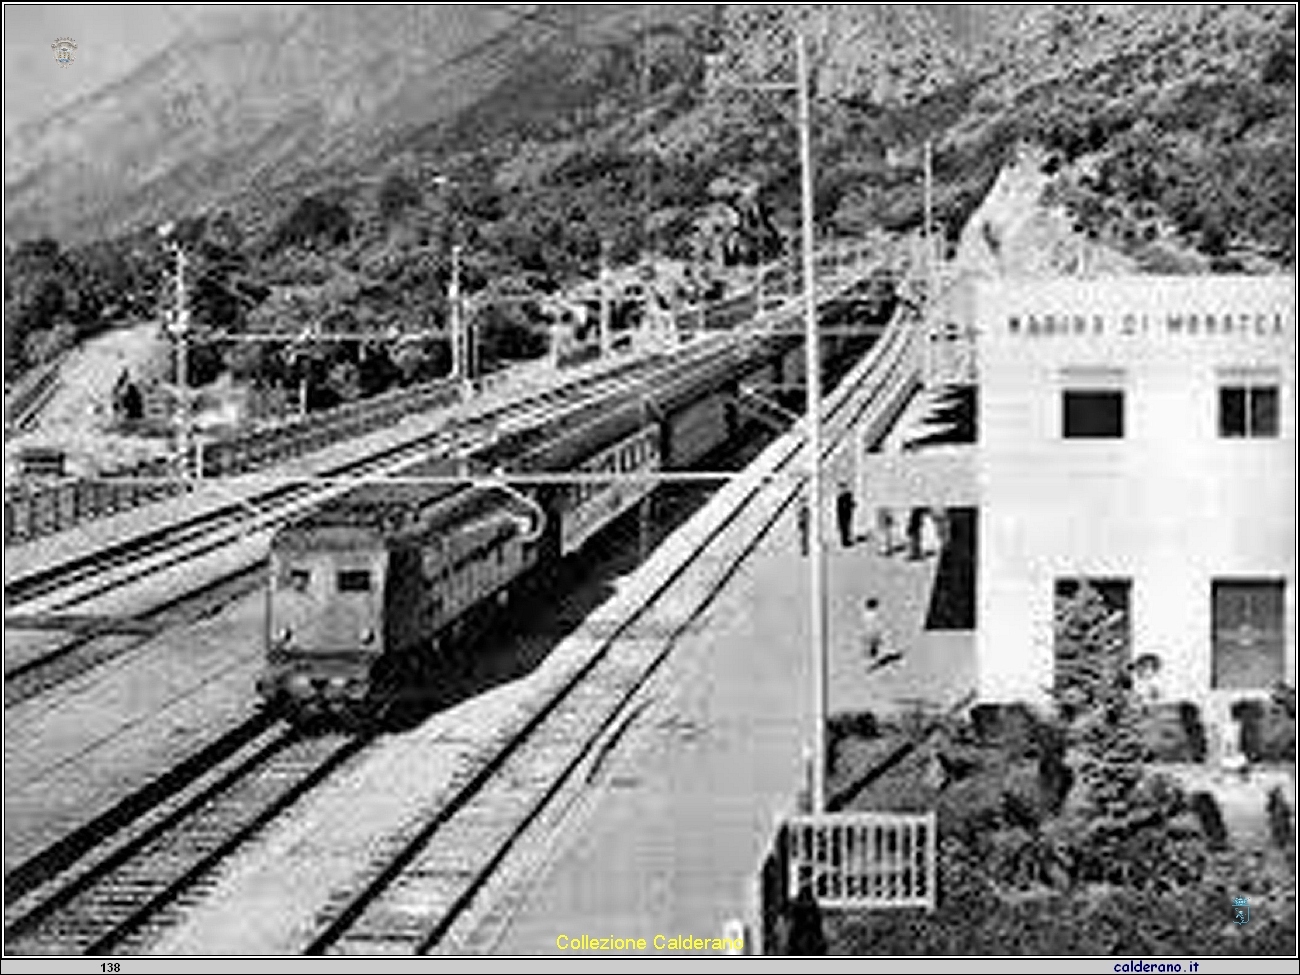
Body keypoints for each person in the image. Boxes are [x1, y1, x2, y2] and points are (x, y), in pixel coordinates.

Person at [861, 597, 884, 662]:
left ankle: (872, 657)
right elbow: (876, 624)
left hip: (868, 631)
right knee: (874, 644)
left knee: (871, 645)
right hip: (873, 632)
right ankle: (873, 658)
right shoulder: (874, 614)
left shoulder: (865, 614)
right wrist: (879, 633)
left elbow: (865, 624)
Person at [835, 481, 855, 549]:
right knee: (843, 528)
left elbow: (850, 503)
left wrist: (851, 505)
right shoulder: (840, 497)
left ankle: (846, 540)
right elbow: (839, 507)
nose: (841, 489)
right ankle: (845, 541)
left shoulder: (847, 495)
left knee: (846, 527)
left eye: (842, 487)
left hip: (846, 513)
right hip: (842, 514)